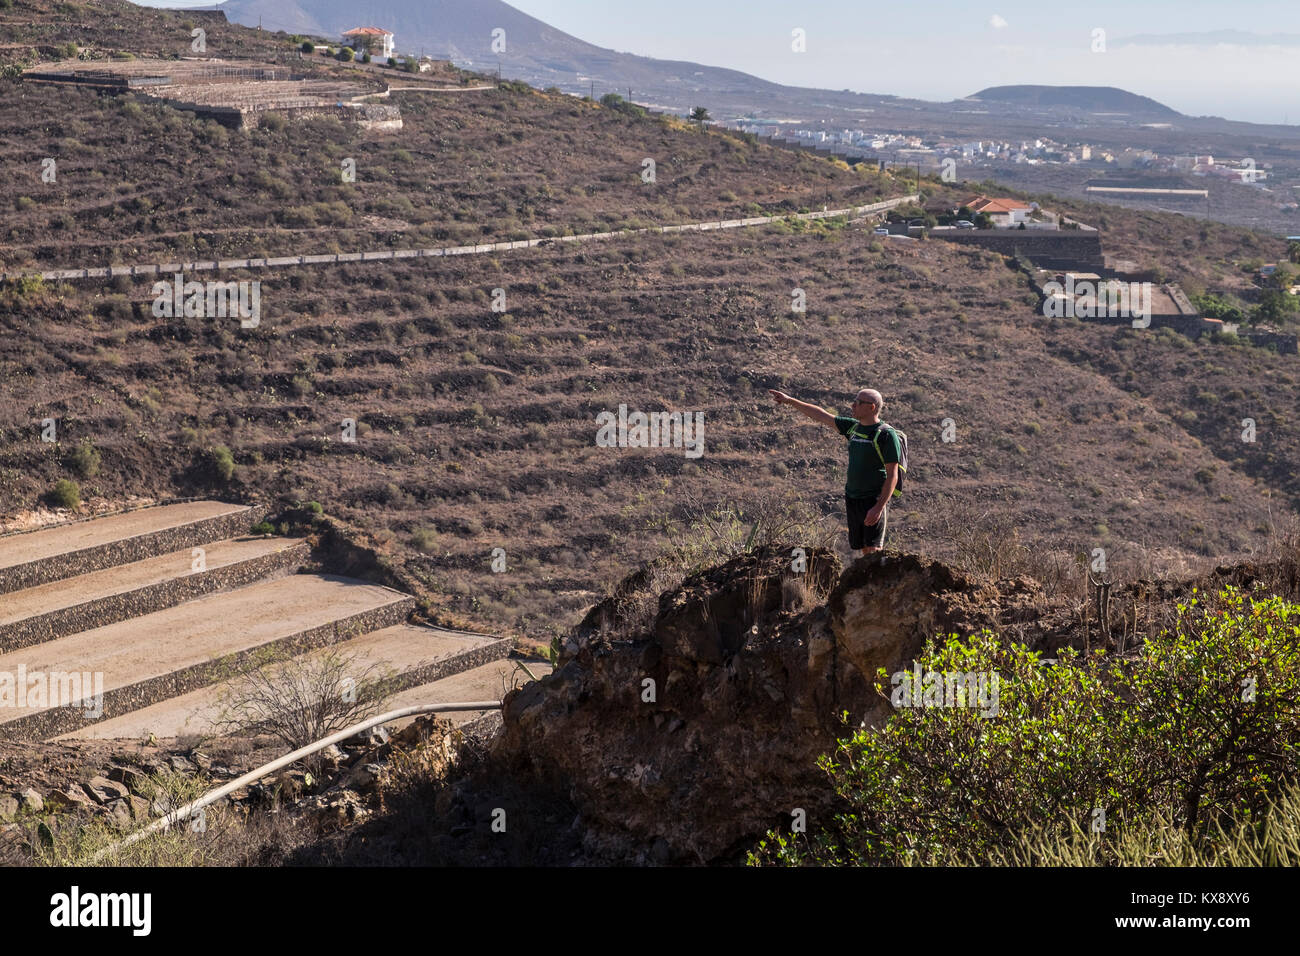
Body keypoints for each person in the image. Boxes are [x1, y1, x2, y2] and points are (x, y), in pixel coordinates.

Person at [768, 387, 901, 556]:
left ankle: (879, 581)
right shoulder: (853, 427)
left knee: (874, 550)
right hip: (852, 497)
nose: (853, 405)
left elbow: (892, 475)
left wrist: (878, 507)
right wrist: (789, 400)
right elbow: (821, 415)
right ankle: (866, 582)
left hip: (872, 498)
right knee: (864, 548)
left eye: (858, 402)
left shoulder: (886, 435)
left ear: (871, 407)